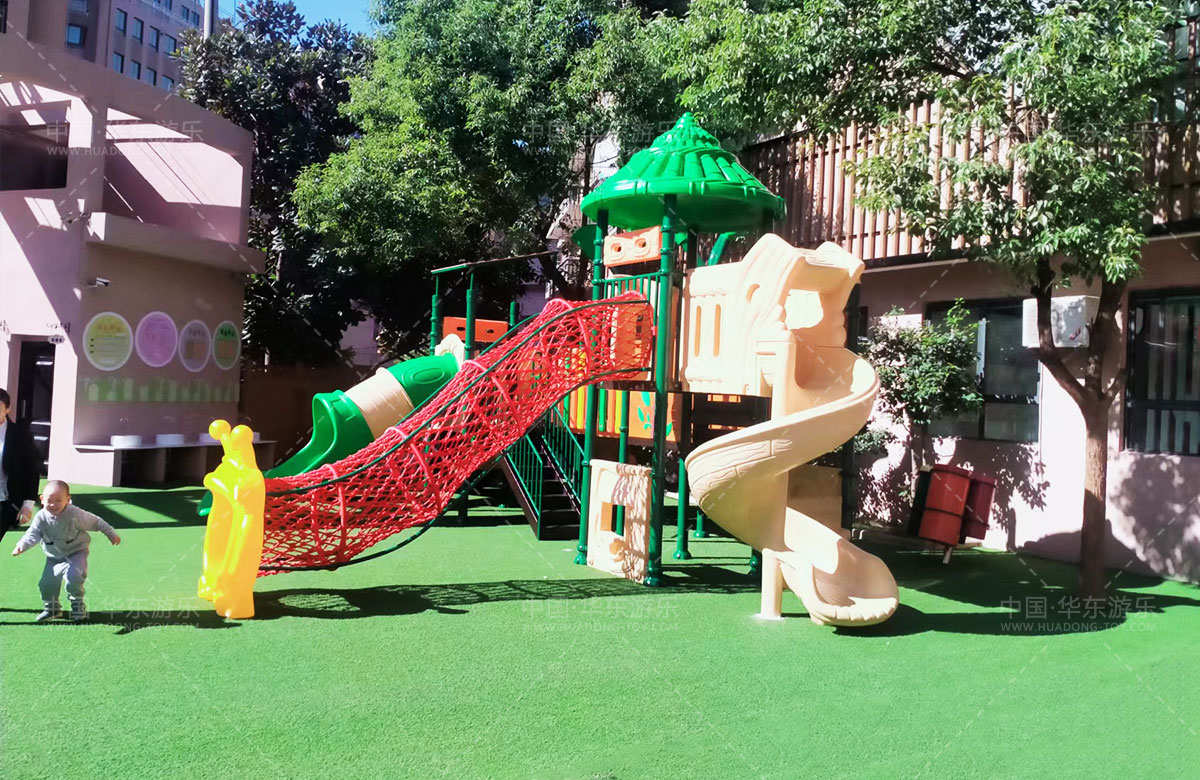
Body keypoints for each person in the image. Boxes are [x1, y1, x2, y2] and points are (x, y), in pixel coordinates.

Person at [11, 480, 121, 622]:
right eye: (49, 500)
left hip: (76, 552)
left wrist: (110, 533)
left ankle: (78, 607)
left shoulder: (74, 513)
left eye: (58, 500)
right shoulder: (41, 517)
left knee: (73, 578)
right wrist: (21, 545)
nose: (53, 504)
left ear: (68, 500)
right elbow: (33, 534)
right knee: (46, 584)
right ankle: (52, 609)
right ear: (42, 499)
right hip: (54, 557)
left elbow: (95, 522)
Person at [0, 388, 40, 544]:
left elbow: (32, 469)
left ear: (7, 409)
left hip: (5, 501)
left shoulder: (20, 435)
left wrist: (28, 505)